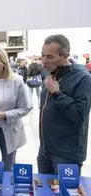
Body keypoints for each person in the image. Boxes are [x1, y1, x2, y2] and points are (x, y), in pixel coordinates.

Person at [38, 34, 91, 174]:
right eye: (42, 55)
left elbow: (79, 114)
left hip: (66, 154)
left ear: (65, 55)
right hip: (45, 150)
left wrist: (57, 93)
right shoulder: (51, 73)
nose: (44, 61)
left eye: (50, 57)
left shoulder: (83, 78)